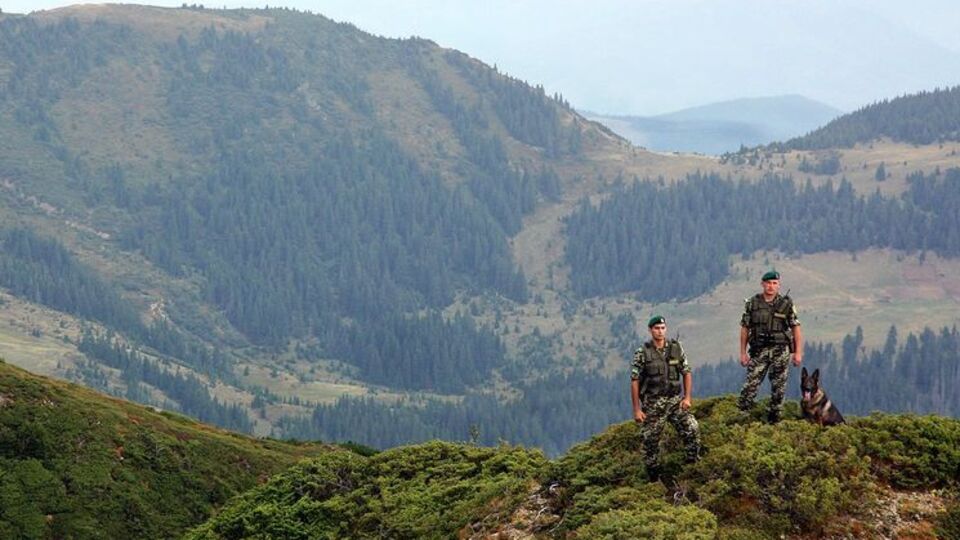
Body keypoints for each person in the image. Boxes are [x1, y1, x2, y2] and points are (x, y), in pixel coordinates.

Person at [631, 315, 701, 480]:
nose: (660, 331)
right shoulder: (643, 353)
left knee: (692, 429)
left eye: (662, 328)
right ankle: (654, 479)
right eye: (656, 328)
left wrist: (687, 397)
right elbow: (634, 381)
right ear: (650, 330)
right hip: (654, 404)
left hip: (675, 401)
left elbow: (686, 372)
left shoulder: (676, 349)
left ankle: (692, 467)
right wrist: (637, 410)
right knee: (650, 443)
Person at [737, 270, 803, 423]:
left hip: (780, 351)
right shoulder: (753, 303)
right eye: (768, 283)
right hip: (759, 351)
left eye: (774, 283)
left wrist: (798, 352)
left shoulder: (786, 304)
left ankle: (775, 422)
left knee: (778, 390)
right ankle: (742, 421)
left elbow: (796, 328)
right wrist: (742, 352)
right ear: (762, 284)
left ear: (779, 285)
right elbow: (745, 328)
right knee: (749, 387)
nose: (771, 286)